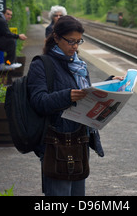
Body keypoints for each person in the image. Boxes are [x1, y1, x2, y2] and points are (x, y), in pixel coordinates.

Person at [27, 15, 124, 196]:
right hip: (57, 142)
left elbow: (85, 94)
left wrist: (109, 85)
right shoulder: (42, 65)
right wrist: (67, 96)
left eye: (79, 42)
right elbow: (39, 102)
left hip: (80, 139)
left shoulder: (78, 65)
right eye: (71, 41)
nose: (75, 47)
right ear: (56, 37)